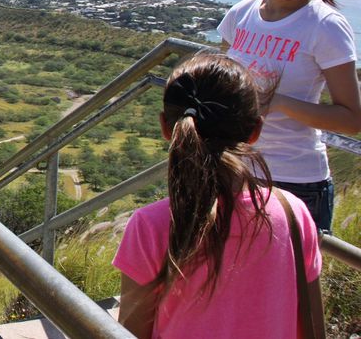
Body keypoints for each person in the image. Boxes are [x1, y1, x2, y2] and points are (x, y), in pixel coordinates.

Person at [113, 53, 323, 338]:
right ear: (255, 131)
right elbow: (309, 320)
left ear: (166, 127)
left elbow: (131, 331)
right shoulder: (294, 213)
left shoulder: (151, 225)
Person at [218, 0, 360, 231]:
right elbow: (222, 83)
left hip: (295, 183)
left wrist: (277, 102)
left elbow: (352, 118)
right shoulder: (240, 14)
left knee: (295, 283)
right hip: (236, 171)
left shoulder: (325, 27)